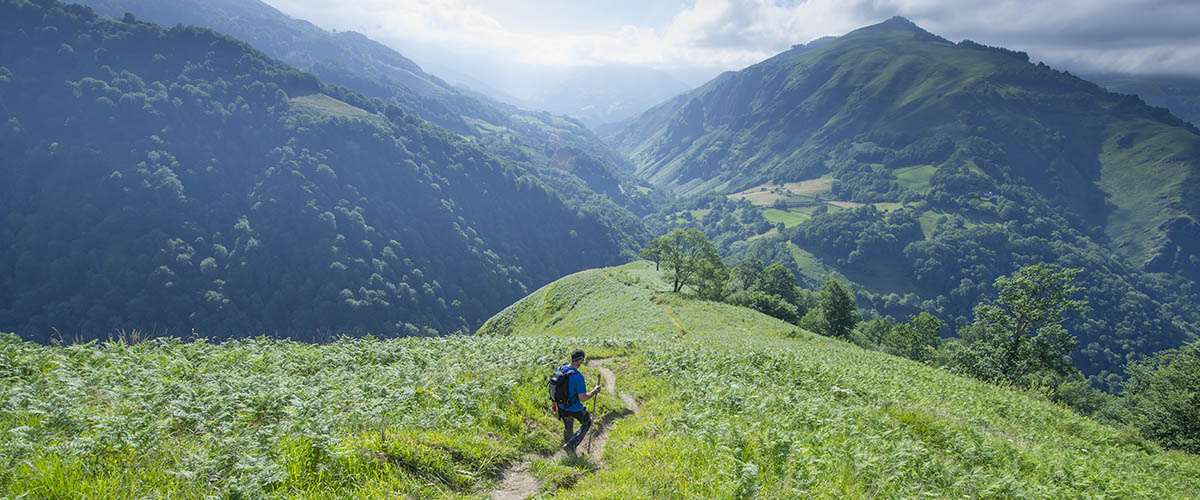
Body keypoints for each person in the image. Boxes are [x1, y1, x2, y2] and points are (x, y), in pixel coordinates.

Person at [556, 348, 600, 453]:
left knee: (568, 424)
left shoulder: (559, 369)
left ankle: (569, 448)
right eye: (582, 360)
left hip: (561, 406)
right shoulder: (578, 376)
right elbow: (583, 398)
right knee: (587, 422)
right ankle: (571, 445)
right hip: (574, 407)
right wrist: (594, 391)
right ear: (580, 360)